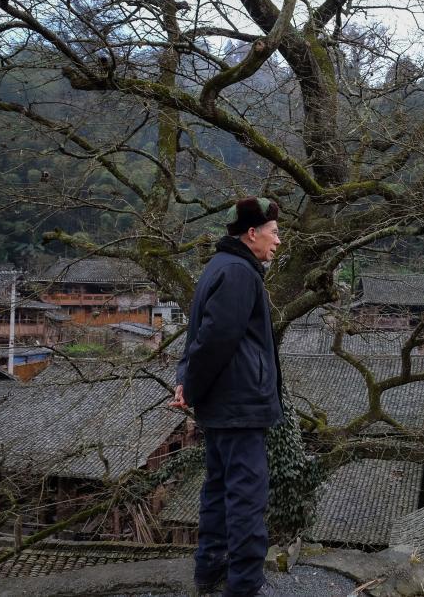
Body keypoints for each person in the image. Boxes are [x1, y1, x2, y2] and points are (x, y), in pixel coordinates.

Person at [170, 196, 284, 597]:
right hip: (241, 405)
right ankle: (246, 585)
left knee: (218, 488)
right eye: (273, 233)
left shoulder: (218, 267)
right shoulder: (239, 273)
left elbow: (197, 337)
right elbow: (217, 339)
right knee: (246, 495)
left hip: (222, 405)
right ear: (251, 233)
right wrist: (192, 387)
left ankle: (209, 569)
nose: (278, 241)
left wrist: (187, 382)